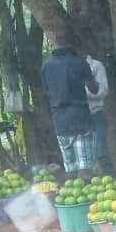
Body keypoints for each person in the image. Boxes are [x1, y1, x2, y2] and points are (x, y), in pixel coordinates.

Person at [41, 33, 99, 179]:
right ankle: (86, 197)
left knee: (70, 166)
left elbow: (46, 91)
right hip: (80, 119)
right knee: (85, 165)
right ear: (72, 44)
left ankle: (72, 196)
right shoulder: (79, 62)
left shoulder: (46, 65)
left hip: (59, 120)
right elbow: (94, 89)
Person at [85, 54, 110, 174]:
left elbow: (103, 90)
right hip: (78, 117)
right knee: (86, 154)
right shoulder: (68, 66)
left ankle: (109, 178)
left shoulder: (96, 65)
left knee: (101, 151)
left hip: (95, 113)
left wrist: (81, 92)